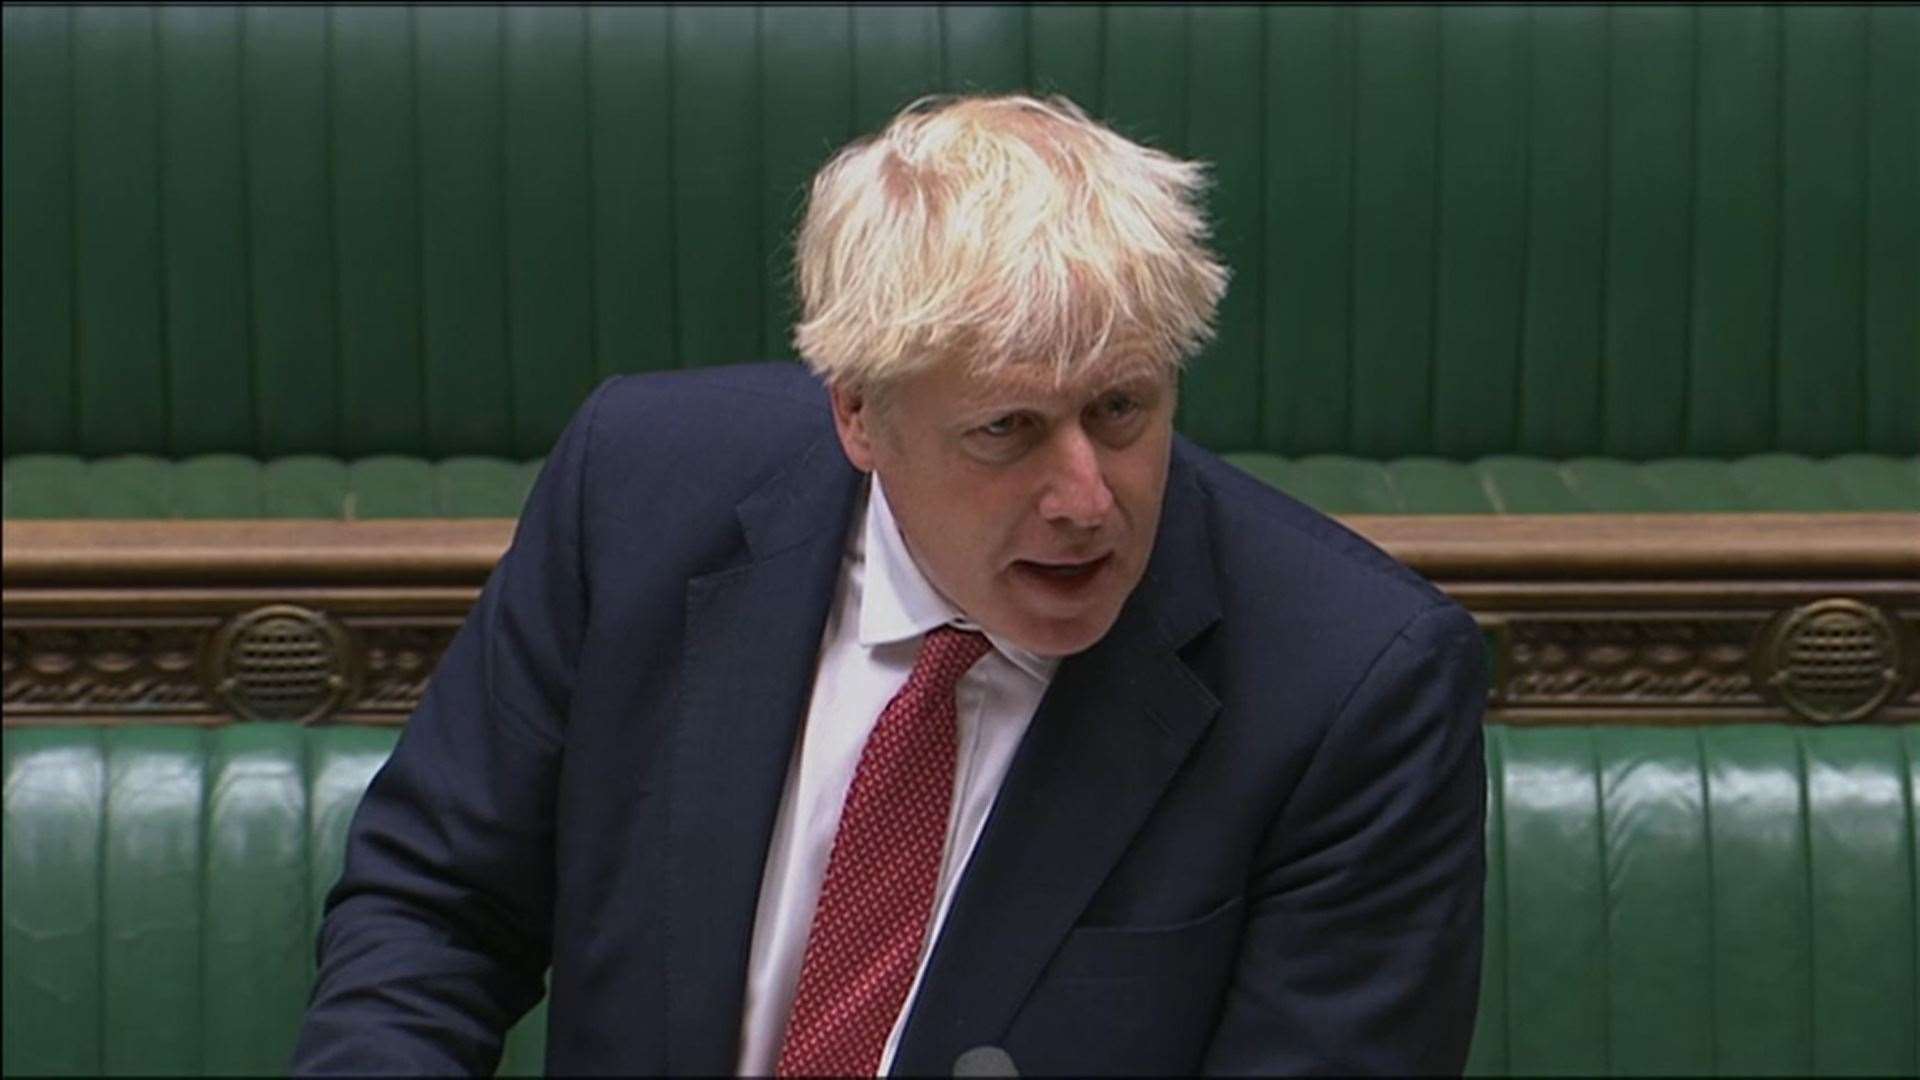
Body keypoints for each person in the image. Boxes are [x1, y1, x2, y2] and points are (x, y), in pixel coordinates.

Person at [293, 93, 1486, 1077]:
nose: (1087, 497)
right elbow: (434, 909)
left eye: (1122, 409)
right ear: (859, 414)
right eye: (1007, 430)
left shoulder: (1354, 684)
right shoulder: (642, 495)